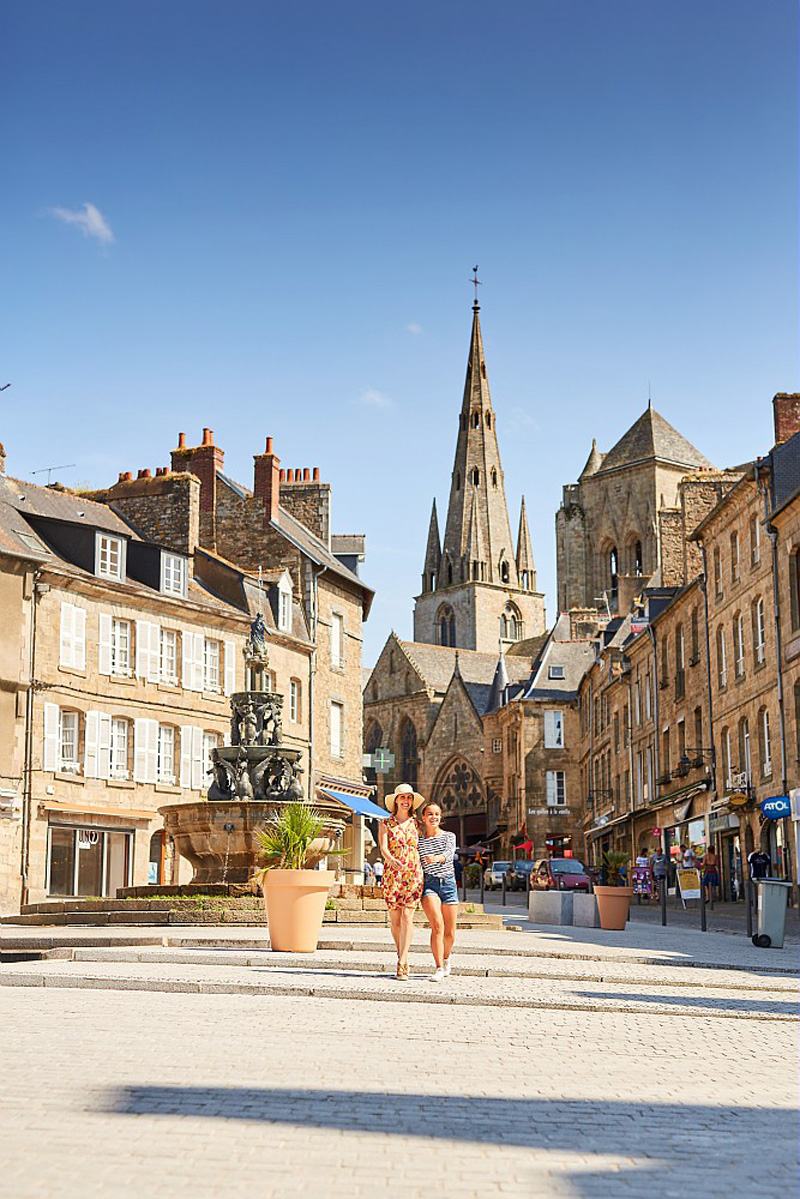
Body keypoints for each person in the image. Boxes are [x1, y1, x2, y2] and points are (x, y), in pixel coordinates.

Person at [377, 783, 424, 981]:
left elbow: (425, 845)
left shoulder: (417, 824)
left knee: (407, 916)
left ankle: (402, 961)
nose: (406, 801)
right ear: (395, 800)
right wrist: (391, 859)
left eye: (409, 798)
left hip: (413, 874)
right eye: (402, 797)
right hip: (392, 874)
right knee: (395, 920)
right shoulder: (385, 823)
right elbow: (383, 847)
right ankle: (401, 955)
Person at [417, 800, 459, 983]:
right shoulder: (419, 841)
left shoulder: (449, 836)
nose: (433, 817)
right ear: (424, 818)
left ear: (440, 818)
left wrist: (437, 858)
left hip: (448, 884)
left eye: (437, 814)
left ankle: (446, 958)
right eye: (430, 814)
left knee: (450, 932)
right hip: (430, 884)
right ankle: (438, 967)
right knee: (437, 926)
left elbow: (450, 854)